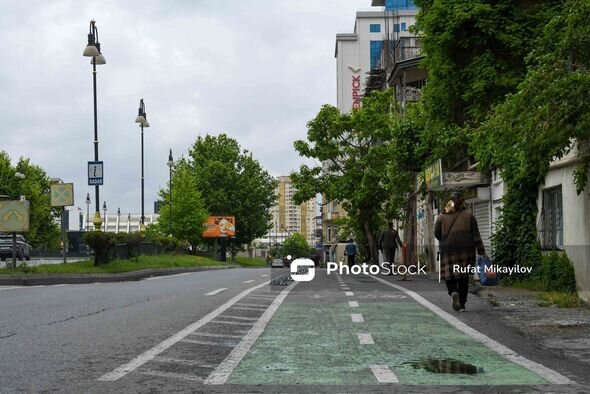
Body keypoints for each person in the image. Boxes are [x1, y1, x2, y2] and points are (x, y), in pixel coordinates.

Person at [435, 192, 485, 312]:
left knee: (449, 276)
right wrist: (481, 251)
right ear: (462, 203)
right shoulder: (469, 216)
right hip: (466, 252)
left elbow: (437, 234)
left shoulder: (441, 217)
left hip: (448, 251)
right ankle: (462, 304)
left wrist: (446, 240)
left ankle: (453, 292)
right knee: (463, 277)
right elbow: (476, 236)